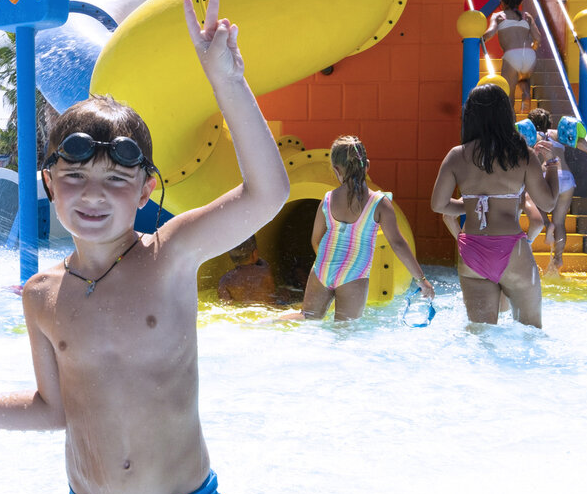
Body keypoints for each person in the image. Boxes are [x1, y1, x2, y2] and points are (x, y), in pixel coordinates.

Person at [0, 0, 289, 494]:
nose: (94, 194)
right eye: (74, 176)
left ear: (145, 190)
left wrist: (227, 79)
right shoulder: (41, 295)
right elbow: (52, 409)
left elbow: (268, 193)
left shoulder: (172, 256)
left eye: (114, 179)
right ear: (47, 182)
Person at [431, 83, 556, 327]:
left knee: (480, 336)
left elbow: (439, 204)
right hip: (512, 251)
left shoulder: (457, 155)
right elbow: (548, 204)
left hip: (472, 251)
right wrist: (552, 164)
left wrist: (470, 205)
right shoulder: (522, 153)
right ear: (506, 115)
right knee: (529, 331)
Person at [288, 136, 434, 321]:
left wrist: (329, 264)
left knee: (307, 318)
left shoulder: (328, 199)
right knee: (345, 331)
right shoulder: (379, 203)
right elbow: (397, 243)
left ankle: (266, 323)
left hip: (323, 268)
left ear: (336, 169)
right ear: (367, 165)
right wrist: (422, 280)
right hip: (354, 274)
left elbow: (315, 240)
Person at [526, 108, 587, 273]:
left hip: (547, 174)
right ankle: (558, 258)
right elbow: (579, 142)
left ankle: (546, 223)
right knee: (560, 222)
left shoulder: (531, 136)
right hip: (566, 178)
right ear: (549, 123)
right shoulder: (556, 133)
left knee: (531, 199)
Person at [483, 0, 542, 115]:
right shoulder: (527, 16)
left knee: (508, 95)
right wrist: (534, 47)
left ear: (502, 1)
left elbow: (490, 33)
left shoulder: (499, 16)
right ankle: (526, 93)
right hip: (529, 56)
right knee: (523, 80)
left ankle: (512, 120)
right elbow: (538, 37)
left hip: (511, 56)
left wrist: (479, 38)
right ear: (520, 0)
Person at [216, 235, 279, 304]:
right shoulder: (265, 270)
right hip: (267, 310)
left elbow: (226, 307)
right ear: (255, 254)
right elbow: (273, 296)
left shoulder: (225, 281)